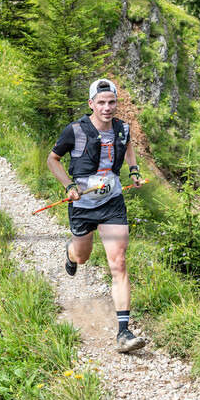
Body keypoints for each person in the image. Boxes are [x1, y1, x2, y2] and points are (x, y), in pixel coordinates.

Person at [47, 78, 147, 353]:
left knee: (119, 262)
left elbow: (127, 146)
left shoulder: (122, 128)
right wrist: (68, 186)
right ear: (91, 103)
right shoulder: (75, 130)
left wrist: (134, 170)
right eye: (101, 102)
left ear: (116, 103)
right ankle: (71, 253)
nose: (107, 107)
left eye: (111, 102)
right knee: (82, 256)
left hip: (113, 202)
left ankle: (124, 332)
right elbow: (52, 159)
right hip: (82, 205)